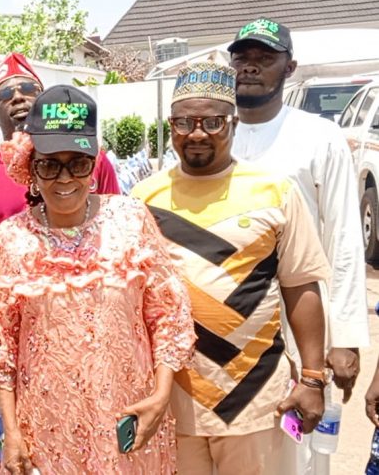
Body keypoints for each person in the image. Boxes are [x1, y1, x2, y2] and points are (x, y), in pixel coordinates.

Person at [0, 84, 196, 473]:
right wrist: (12, 430)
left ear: (94, 164)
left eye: (78, 163)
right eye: (49, 165)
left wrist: (160, 395)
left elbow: (168, 314)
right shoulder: (13, 239)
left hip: (130, 418)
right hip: (48, 428)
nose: (64, 178)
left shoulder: (130, 220)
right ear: (31, 167)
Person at [132, 62, 330, 474]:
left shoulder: (274, 190)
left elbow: (300, 286)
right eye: (184, 122)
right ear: (170, 126)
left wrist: (313, 378)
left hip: (255, 397)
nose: (197, 133)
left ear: (234, 124)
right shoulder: (142, 199)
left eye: (213, 122)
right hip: (172, 399)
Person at [228, 18, 368, 474]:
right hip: (231, 321)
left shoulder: (318, 136)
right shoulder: (211, 133)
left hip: (301, 322)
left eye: (264, 59)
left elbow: (344, 237)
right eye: (242, 59)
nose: (250, 68)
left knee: (301, 455)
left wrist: (345, 337)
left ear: (289, 68)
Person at [0, 53, 121, 324]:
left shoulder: (94, 161)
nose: (18, 97)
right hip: (19, 321)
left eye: (28, 88)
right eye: (5, 94)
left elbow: (118, 237)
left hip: (93, 313)